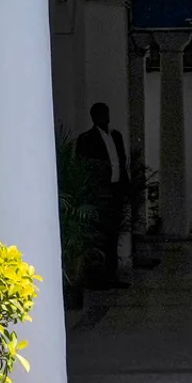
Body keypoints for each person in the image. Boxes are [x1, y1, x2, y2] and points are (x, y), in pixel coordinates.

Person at [75, 101, 130, 290]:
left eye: (106, 113)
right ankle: (99, 277)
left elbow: (122, 163)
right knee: (101, 237)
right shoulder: (86, 139)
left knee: (113, 235)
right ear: (94, 117)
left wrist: (125, 188)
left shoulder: (116, 136)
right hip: (99, 194)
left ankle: (111, 275)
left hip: (115, 191)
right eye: (100, 114)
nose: (105, 117)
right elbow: (83, 166)